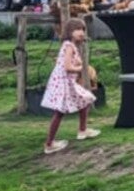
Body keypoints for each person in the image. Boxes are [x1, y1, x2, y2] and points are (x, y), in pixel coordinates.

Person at [41, 18, 99, 155]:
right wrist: (80, 68)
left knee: (85, 100)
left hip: (67, 82)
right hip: (64, 83)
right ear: (69, 31)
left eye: (83, 29)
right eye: (77, 29)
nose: (81, 32)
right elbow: (67, 67)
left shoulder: (72, 46)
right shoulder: (69, 46)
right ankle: (49, 144)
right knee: (60, 112)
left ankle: (82, 130)